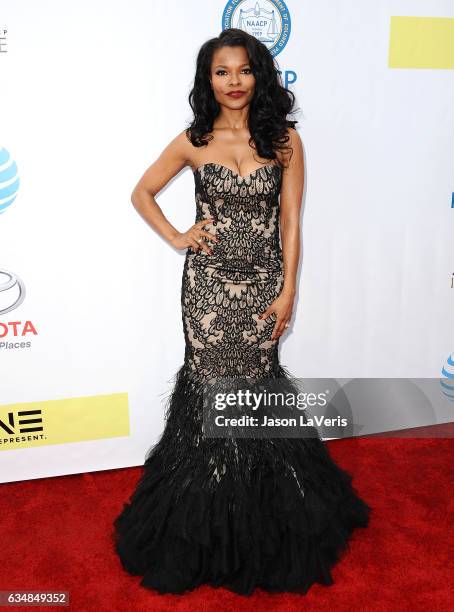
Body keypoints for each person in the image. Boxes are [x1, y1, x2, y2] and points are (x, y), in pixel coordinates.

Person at [113, 28, 371, 595]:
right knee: (208, 399)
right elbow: (141, 193)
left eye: (243, 70)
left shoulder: (283, 140)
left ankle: (262, 523)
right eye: (221, 72)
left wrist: (288, 291)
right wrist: (178, 235)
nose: (233, 82)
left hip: (261, 289)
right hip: (206, 294)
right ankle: (199, 529)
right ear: (208, 80)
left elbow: (290, 222)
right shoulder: (193, 139)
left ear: (259, 75)